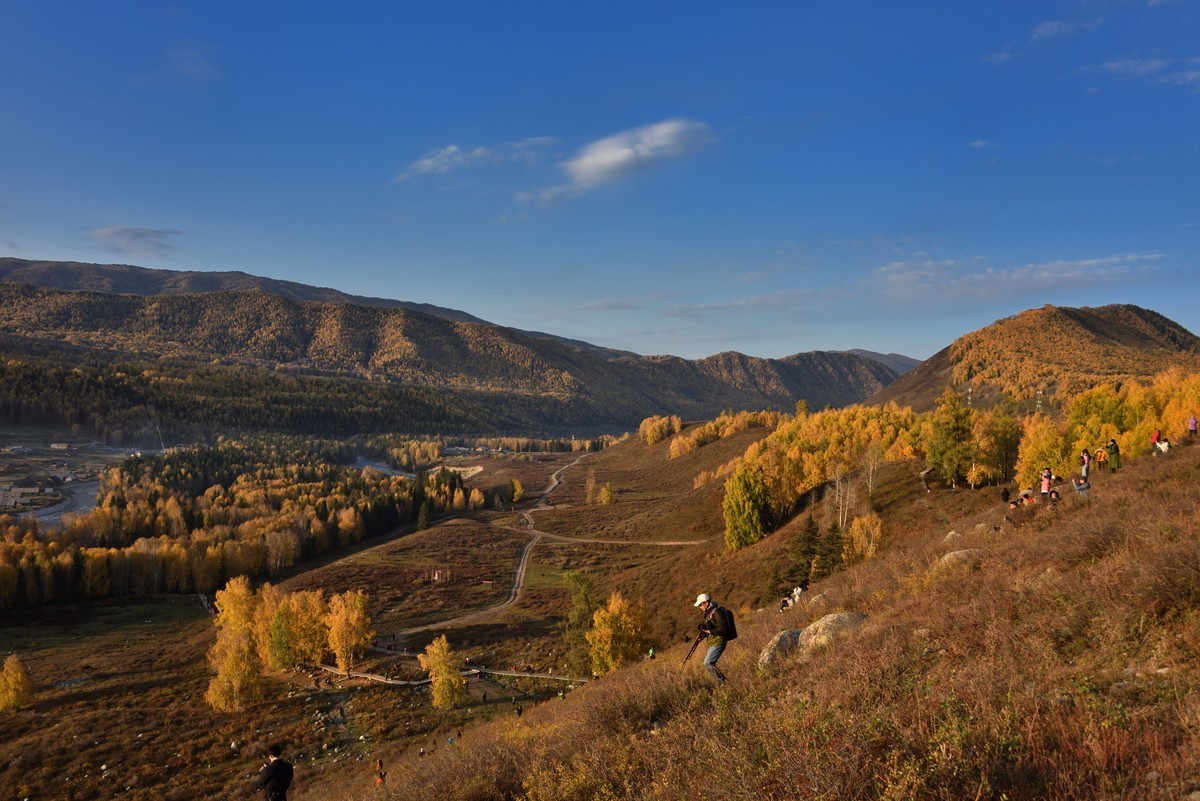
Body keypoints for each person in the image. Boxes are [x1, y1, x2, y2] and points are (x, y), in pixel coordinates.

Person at [693, 593, 737, 683]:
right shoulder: (708, 613)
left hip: (719, 641)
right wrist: (702, 636)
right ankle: (716, 683)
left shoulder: (717, 612)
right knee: (710, 664)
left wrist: (711, 632)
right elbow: (710, 628)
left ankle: (723, 682)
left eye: (700, 605)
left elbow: (723, 628)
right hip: (712, 642)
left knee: (707, 663)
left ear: (706, 603)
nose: (700, 607)